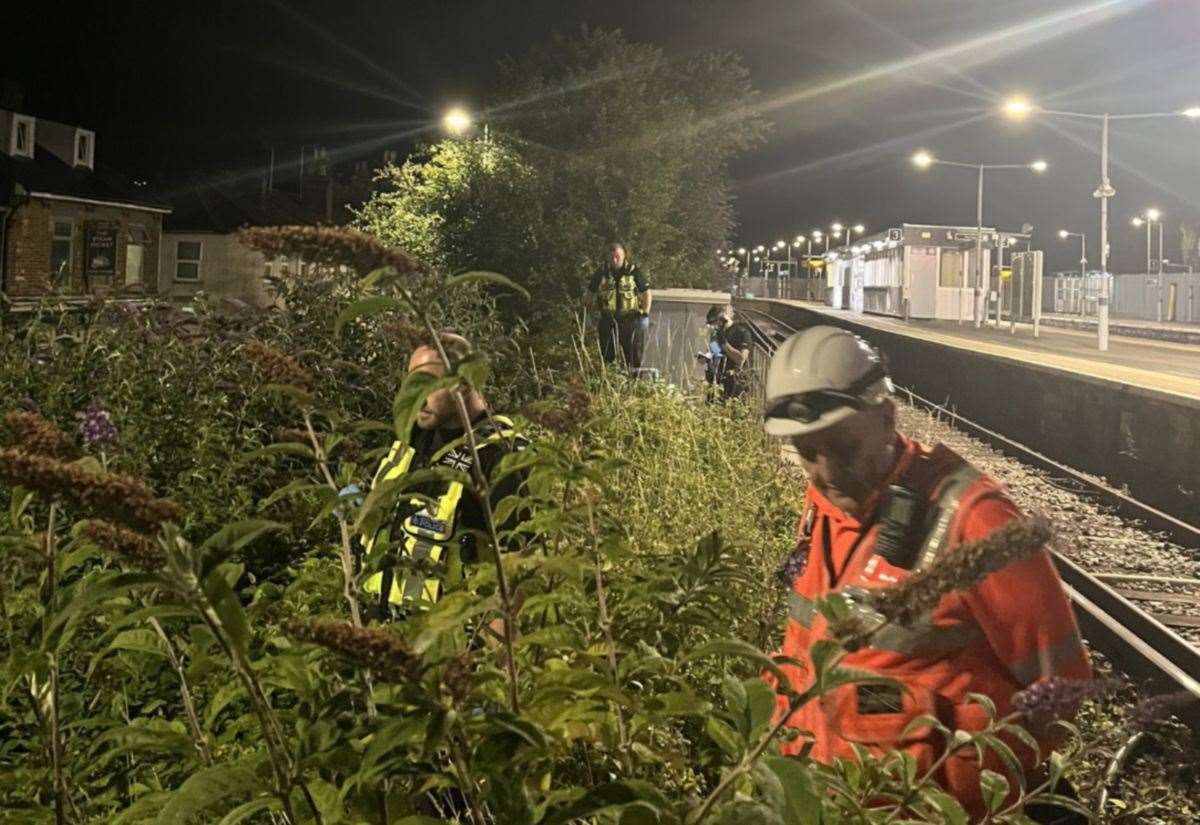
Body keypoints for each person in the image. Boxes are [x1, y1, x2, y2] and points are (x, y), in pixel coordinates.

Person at [762, 325, 1090, 822]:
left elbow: (1063, 693)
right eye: (808, 451)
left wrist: (962, 787)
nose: (826, 471)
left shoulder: (975, 521)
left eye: (844, 445)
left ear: (888, 417)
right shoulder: (820, 512)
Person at [357, 333, 528, 620]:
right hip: (388, 632)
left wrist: (495, 658)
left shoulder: (500, 457)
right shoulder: (416, 436)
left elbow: (516, 573)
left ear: (463, 383)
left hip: (452, 646)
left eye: (427, 384)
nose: (414, 397)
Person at [584, 243, 651, 369]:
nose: (614, 260)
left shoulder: (634, 272)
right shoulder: (602, 272)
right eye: (612, 257)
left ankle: (634, 383)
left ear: (624, 256)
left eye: (617, 257)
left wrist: (645, 314)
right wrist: (586, 314)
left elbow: (647, 292)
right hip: (608, 320)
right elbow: (590, 292)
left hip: (630, 320)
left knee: (633, 356)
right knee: (607, 357)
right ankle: (610, 382)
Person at [700, 304, 752, 400]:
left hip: (734, 385)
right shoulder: (716, 333)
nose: (715, 325)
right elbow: (715, 352)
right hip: (716, 384)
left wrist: (724, 342)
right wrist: (705, 357)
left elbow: (741, 359)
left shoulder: (742, 333)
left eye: (716, 321)